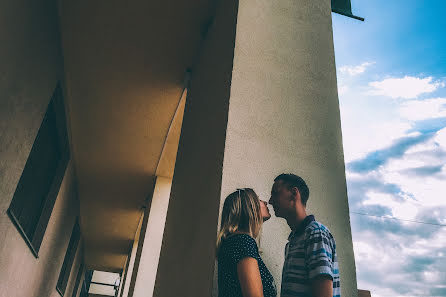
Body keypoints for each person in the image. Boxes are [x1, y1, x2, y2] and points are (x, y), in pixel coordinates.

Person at [269, 174, 340, 297]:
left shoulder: (315, 233)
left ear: (294, 193)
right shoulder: (293, 241)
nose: (270, 201)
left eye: (276, 193)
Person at [217, 188, 277, 297]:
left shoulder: (233, 241)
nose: (265, 202)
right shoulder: (243, 241)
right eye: (258, 200)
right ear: (248, 207)